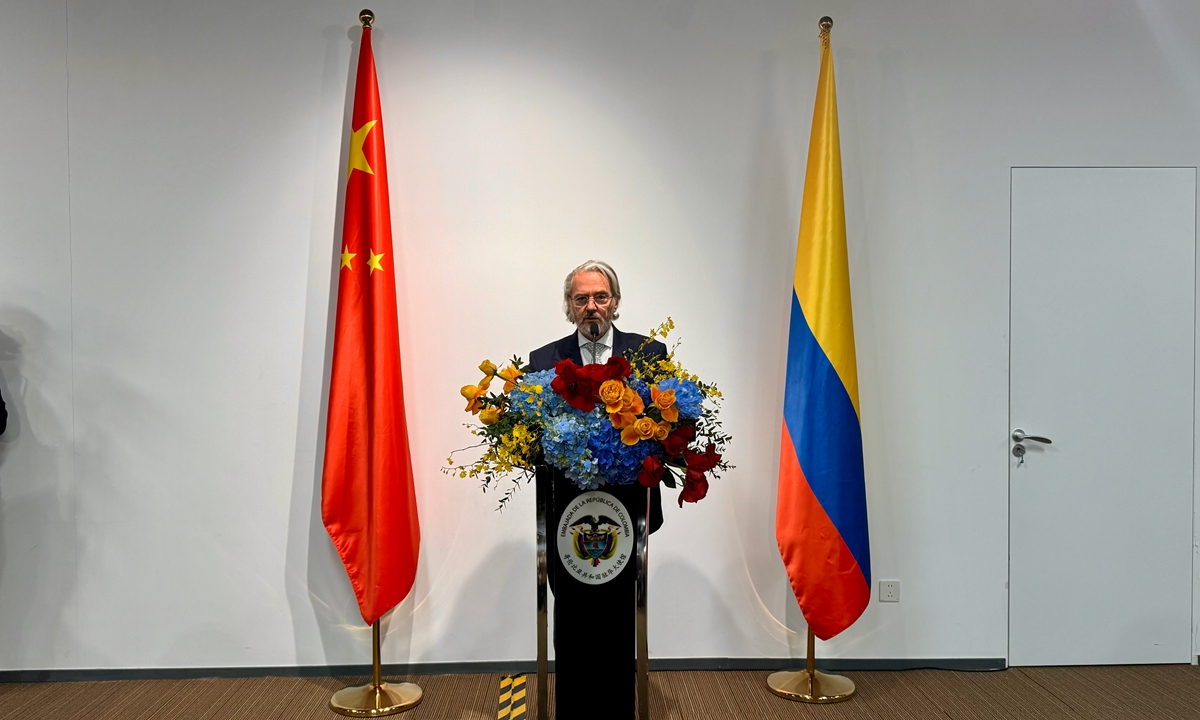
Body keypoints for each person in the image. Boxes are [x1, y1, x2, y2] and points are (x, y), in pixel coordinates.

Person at [528, 260, 665, 720]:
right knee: (572, 616)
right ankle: (574, 708)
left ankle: (616, 708)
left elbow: (664, 431)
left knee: (617, 615)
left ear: (616, 302)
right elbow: (533, 439)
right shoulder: (543, 361)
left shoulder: (649, 354)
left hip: (627, 508)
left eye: (600, 297)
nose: (592, 307)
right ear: (569, 307)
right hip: (568, 512)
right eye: (581, 298)